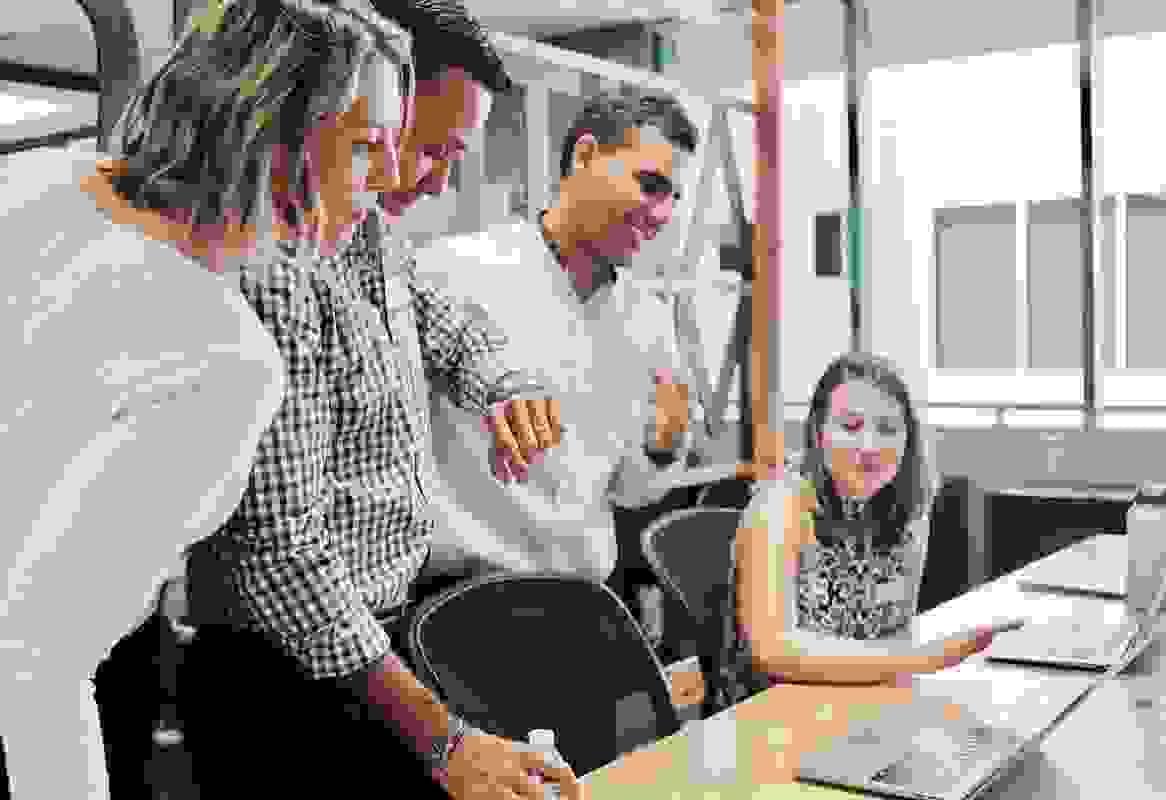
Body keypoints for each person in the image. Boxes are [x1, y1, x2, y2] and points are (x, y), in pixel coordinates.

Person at [90, 2, 580, 799]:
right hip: (289, 670)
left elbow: (444, 319)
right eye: (408, 146)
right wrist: (444, 741)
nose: (409, 176)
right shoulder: (266, 268)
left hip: (359, 639)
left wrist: (506, 383)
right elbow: (279, 551)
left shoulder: (361, 232)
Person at [0, 95, 287, 800]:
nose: (391, 171)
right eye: (368, 145)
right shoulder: (225, 358)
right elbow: (36, 656)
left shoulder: (37, 179)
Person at [414, 91, 699, 588]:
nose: (662, 214)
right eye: (650, 185)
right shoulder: (455, 271)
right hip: (461, 592)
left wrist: (663, 446)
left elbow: (632, 491)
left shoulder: (648, 320)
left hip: (584, 596)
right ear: (585, 157)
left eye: (673, 197)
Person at [707, 352, 1005, 714]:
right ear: (818, 433)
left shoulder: (910, 503)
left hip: (857, 700)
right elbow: (774, 651)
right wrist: (923, 658)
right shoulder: (780, 504)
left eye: (888, 429)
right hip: (766, 714)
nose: (869, 447)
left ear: (909, 440)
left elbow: (893, 630)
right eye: (850, 427)